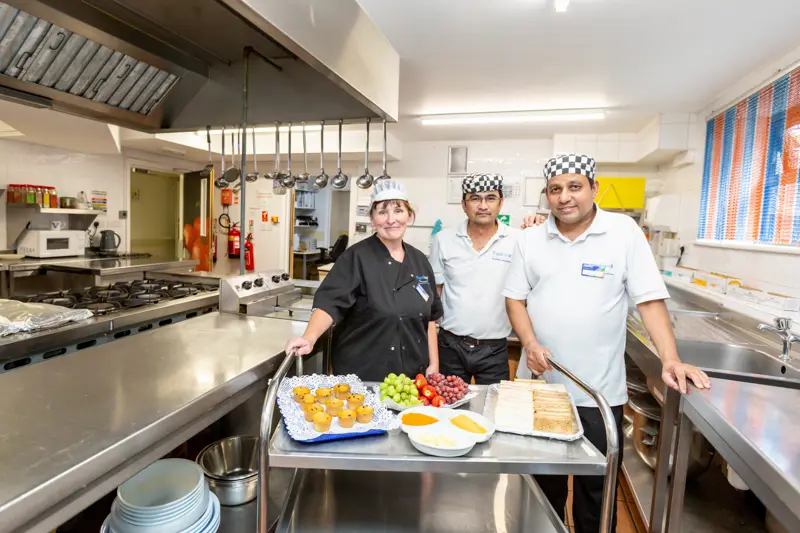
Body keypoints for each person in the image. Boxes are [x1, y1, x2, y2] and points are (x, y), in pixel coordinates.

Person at [503, 153, 710, 533]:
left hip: (598, 393)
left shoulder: (623, 232)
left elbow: (649, 300)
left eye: (574, 187)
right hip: (540, 388)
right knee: (540, 487)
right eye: (555, 189)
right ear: (547, 195)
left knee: (596, 493)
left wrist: (670, 358)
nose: (565, 197)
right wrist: (529, 342)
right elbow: (515, 298)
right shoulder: (530, 239)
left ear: (594, 188)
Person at [285, 179, 442, 381]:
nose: (391, 219)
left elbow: (429, 318)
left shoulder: (420, 261)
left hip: (412, 376)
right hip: (364, 374)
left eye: (398, 211)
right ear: (372, 219)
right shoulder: (355, 258)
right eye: (382, 212)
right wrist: (309, 337)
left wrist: (433, 364)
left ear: (409, 216)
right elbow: (329, 304)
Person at [430, 173, 542, 384]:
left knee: (494, 402)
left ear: (501, 203)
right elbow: (437, 292)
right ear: (464, 204)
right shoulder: (443, 240)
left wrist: (541, 225)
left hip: (495, 348)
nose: (483, 206)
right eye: (475, 198)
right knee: (447, 402)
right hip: (450, 345)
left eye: (490, 198)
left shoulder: (518, 239)